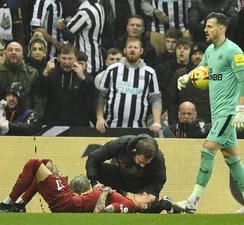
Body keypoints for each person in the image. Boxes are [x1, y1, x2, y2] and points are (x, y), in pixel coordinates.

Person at [174, 12, 244, 213]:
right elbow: (201, 68)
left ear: (221, 28)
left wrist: (241, 108)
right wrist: (187, 77)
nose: (205, 29)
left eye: (210, 26)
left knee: (207, 150)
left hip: (228, 113)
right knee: (232, 158)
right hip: (218, 114)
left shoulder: (234, 51)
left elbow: (243, 81)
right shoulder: (211, 50)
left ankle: (192, 202)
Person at [0, 158, 173, 213]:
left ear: (144, 205)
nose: (142, 193)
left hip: (68, 203)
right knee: (47, 164)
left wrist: (103, 192)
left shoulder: (128, 206)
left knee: (34, 164)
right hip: (70, 200)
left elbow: (100, 212)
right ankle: (20, 206)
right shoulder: (129, 202)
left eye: (145, 196)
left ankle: (8, 203)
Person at [96, 38, 162, 134]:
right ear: (124, 50)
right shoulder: (112, 69)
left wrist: (157, 122)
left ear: (141, 51)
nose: (132, 50)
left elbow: (155, 98)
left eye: (135, 47)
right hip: (112, 126)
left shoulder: (150, 72)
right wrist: (100, 117)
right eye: (129, 47)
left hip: (138, 127)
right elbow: (101, 95)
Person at [86, 134, 166, 203]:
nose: (142, 165)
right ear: (134, 152)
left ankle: (167, 204)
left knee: (148, 206)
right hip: (119, 177)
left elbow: (158, 181)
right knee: (99, 169)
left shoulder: (158, 159)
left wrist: (148, 194)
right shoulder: (121, 144)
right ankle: (116, 196)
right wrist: (94, 183)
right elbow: (93, 158)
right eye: (140, 161)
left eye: (146, 163)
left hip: (141, 184)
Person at [0, 159, 90, 212]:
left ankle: (11, 203)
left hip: (65, 196)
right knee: (41, 167)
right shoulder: (71, 192)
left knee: (36, 164)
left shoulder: (68, 191)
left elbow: (44, 163)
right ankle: (20, 204)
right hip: (65, 196)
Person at [37, 43, 95, 127]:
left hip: (78, 125)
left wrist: (83, 79)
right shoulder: (51, 73)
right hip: (54, 123)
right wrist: (45, 72)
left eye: (70, 58)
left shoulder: (85, 76)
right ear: (58, 58)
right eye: (64, 58)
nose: (66, 62)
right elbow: (38, 92)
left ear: (76, 58)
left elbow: (91, 98)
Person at [57, 0, 105, 76]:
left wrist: (63, 27)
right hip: (96, 60)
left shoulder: (86, 12)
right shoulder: (99, 6)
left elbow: (67, 34)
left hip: (85, 64)